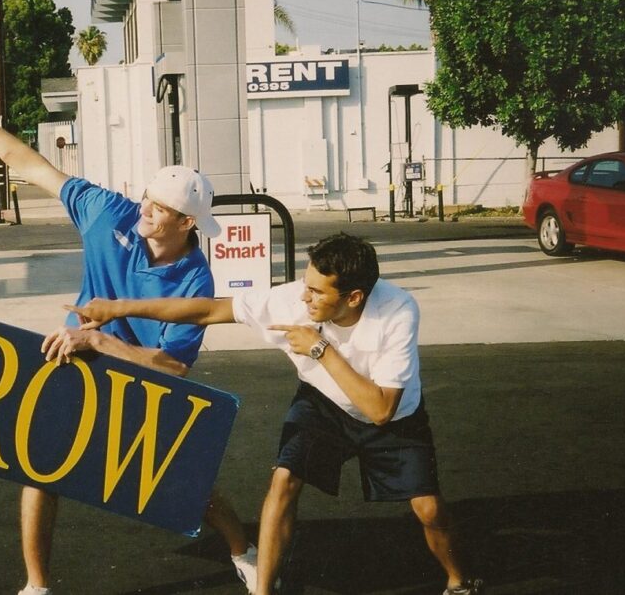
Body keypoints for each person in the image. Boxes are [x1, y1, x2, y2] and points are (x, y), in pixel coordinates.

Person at [0, 72, 256, 595]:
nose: (143, 208)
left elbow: (173, 366)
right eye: (146, 198)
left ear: (187, 223)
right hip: (72, 358)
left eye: (158, 208)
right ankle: (37, 587)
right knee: (38, 467)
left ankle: (244, 551)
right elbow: (28, 162)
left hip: (140, 373)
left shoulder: (196, 279)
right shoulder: (109, 213)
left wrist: (98, 339)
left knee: (182, 478)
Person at [69, 233, 484, 595]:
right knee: (283, 481)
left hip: (393, 416)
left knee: (429, 510)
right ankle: (263, 590)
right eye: (306, 285)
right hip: (323, 402)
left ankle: (457, 580)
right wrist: (119, 308)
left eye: (318, 292)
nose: (305, 297)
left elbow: (380, 409)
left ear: (354, 297)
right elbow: (207, 310)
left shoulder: (398, 311)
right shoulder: (291, 301)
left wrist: (321, 350)